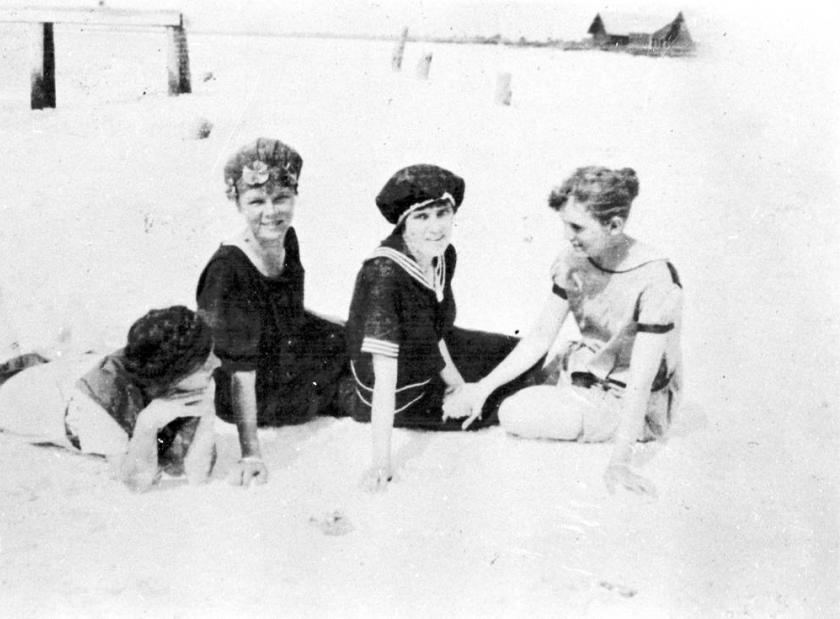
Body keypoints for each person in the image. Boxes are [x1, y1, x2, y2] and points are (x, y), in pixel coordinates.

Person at [448, 166, 683, 496]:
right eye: (565, 224)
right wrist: (482, 388)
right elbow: (541, 337)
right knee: (472, 364)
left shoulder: (655, 279)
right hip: (579, 368)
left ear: (614, 226)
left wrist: (619, 461)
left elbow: (641, 381)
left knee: (513, 412)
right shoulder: (574, 259)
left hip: (625, 398)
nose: (567, 236)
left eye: (577, 227)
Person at [345, 164, 543, 491]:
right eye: (422, 217)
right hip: (397, 390)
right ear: (403, 223)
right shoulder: (384, 275)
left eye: (442, 213)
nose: (436, 227)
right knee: (498, 404)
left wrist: (458, 384)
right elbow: (384, 375)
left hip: (427, 356)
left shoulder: (443, 255)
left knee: (519, 353)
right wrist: (381, 462)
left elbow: (434, 331)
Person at [195, 138, 347, 487]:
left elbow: (281, 306)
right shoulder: (228, 270)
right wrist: (251, 453)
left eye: (281, 198)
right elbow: (237, 371)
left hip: (287, 353)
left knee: (365, 336)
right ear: (237, 202)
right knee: (365, 379)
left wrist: (327, 322)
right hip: (253, 391)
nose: (271, 212)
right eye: (256, 201)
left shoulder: (285, 238)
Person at [0, 305, 221, 492]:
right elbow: (136, 483)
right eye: (204, 364)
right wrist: (148, 424)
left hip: (76, 371)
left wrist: (207, 414)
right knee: (3, 373)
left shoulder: (180, 382)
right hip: (20, 395)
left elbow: (197, 474)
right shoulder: (102, 400)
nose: (217, 364)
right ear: (175, 375)